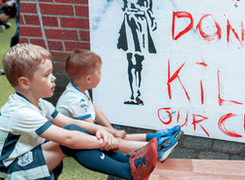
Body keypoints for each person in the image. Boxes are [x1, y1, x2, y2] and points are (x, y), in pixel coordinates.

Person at [0, 43, 158, 180]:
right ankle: (129, 172)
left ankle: (127, 161)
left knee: (75, 129)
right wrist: (108, 142)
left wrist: (101, 129)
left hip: (30, 155)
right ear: (25, 83)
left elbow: (71, 122)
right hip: (12, 171)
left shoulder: (40, 104)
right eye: (47, 75)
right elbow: (68, 138)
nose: (54, 78)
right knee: (71, 140)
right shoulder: (20, 111)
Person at [56, 48, 184, 163]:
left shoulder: (78, 90)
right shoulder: (75, 100)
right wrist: (112, 133)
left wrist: (111, 128)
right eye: (99, 72)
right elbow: (92, 129)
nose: (101, 75)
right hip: (68, 143)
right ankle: (157, 148)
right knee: (112, 141)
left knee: (116, 135)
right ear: (89, 79)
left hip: (80, 134)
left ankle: (156, 137)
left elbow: (94, 110)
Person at [117, 0, 157, 105]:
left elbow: (148, 7)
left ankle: (137, 93)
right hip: (130, 20)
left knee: (138, 60)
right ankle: (133, 94)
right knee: (131, 59)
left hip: (140, 21)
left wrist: (151, 20)